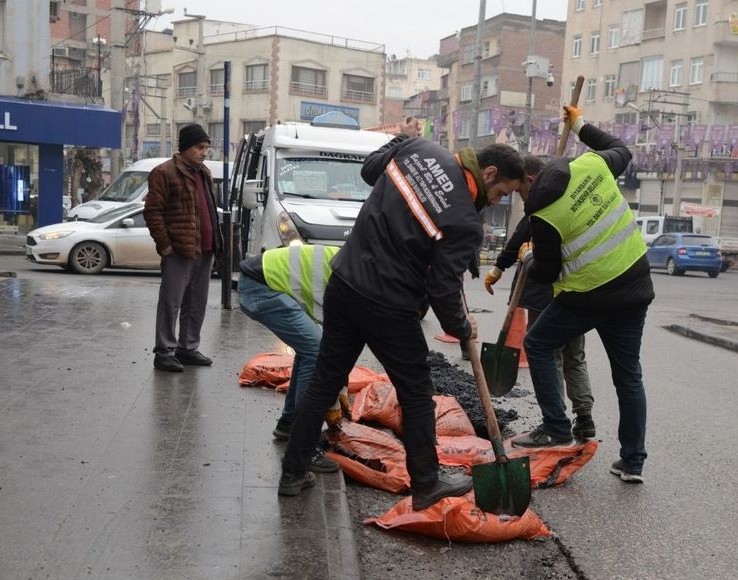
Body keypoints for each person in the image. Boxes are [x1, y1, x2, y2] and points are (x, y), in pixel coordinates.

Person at [278, 117, 525, 509]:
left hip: (345, 282)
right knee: (415, 393)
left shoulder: (419, 150)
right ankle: (426, 484)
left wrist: (401, 139)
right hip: (389, 305)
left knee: (325, 381)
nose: (497, 202)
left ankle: (292, 473)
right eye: (501, 193)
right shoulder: (464, 220)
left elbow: (370, 168)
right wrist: (462, 328)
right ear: (489, 172)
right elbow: (443, 290)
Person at [513, 105, 654, 485]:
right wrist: (580, 126)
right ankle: (633, 461)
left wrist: (526, 256)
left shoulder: (544, 215)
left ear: (531, 182)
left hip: (588, 296)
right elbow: (622, 149)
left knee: (539, 344)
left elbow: (546, 272)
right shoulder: (592, 165)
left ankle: (557, 427)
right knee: (628, 375)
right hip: (635, 287)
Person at [484, 156, 596, 441]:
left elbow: (522, 232)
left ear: (530, 181)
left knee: (548, 354)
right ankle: (584, 418)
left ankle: (555, 419)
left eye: (521, 192)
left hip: (546, 290)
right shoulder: (572, 195)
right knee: (574, 356)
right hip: (577, 289)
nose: (523, 199)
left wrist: (501, 265)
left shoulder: (543, 203)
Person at [237, 244, 347, 472]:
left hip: (261, 281)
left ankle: (289, 424)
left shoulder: (362, 267)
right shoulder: (362, 282)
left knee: (310, 349)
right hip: (262, 286)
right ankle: (304, 444)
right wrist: (336, 390)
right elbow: (336, 344)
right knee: (315, 351)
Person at [145, 124, 222, 372]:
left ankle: (187, 348)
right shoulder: (164, 172)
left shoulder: (204, 173)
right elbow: (152, 211)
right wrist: (165, 245)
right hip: (179, 249)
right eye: (200, 147)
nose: (204, 152)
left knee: (196, 302)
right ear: (186, 147)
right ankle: (164, 352)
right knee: (171, 302)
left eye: (207, 148)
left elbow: (209, 208)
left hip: (205, 248)